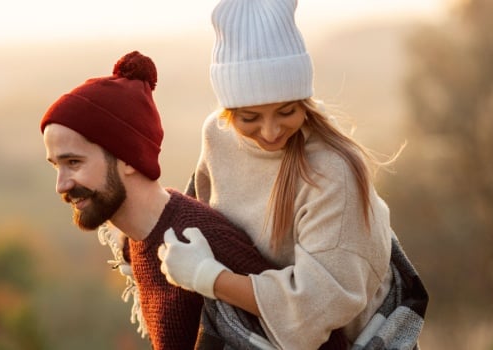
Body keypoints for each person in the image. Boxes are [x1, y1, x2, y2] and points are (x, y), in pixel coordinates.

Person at [158, 0, 428, 349]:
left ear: (304, 100)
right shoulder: (217, 136)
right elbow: (198, 211)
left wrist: (208, 278)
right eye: (249, 118)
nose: (270, 132)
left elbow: (315, 309)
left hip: (356, 338)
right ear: (227, 113)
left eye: (286, 111)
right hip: (259, 325)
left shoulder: (332, 173)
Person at [39, 51, 347, 349]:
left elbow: (323, 338)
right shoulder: (138, 243)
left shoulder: (194, 238)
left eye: (74, 163)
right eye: (56, 165)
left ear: (128, 159)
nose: (61, 184)